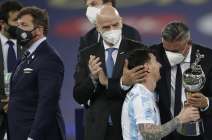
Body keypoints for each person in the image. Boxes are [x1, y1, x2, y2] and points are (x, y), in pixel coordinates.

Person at [73, 5, 146, 140]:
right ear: (97, 28)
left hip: (129, 128)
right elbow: (78, 96)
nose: (112, 30)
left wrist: (119, 83)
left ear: (121, 21)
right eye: (106, 27)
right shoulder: (87, 54)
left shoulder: (138, 51)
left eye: (115, 24)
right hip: (97, 131)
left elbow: (144, 92)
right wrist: (93, 78)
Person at [150, 21, 212, 140]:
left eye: (175, 51)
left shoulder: (208, 57)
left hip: (205, 133)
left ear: (189, 43)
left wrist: (206, 102)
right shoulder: (153, 54)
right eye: (166, 50)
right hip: (169, 133)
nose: (169, 54)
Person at [7, 7, 65, 140]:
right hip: (19, 132)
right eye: (18, 25)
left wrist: (33, 136)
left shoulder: (49, 59)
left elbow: (47, 103)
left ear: (38, 30)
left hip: (37, 135)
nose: (19, 30)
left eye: (24, 25)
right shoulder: (25, 56)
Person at [121, 48, 200, 140]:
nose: (160, 65)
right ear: (147, 67)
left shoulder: (147, 94)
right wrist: (180, 119)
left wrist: (183, 114)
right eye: (155, 61)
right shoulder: (141, 97)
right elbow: (148, 134)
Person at [0, 1, 23, 139]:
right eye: (16, 20)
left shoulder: (31, 47)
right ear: (2, 23)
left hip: (24, 120)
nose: (20, 25)